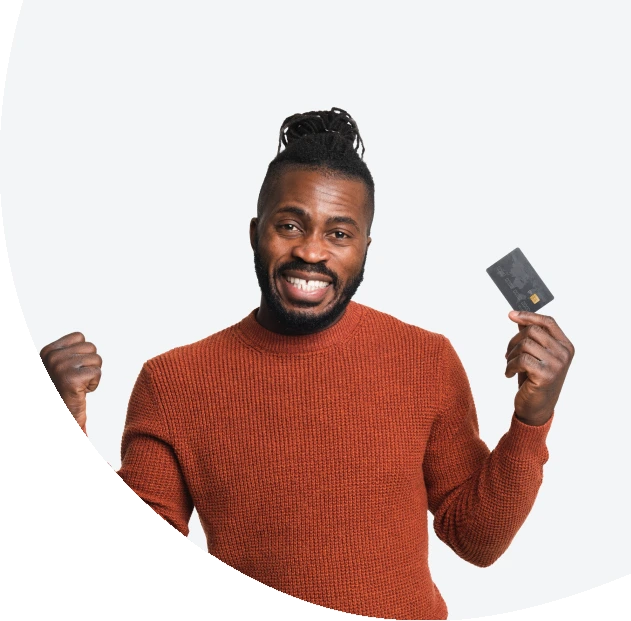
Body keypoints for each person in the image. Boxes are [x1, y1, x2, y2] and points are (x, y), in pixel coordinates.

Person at [39, 108, 575, 620]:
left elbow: (477, 540)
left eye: (338, 234)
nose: (312, 253)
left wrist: (532, 420)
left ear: (365, 249)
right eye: (291, 226)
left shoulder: (426, 360)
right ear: (255, 232)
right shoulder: (173, 383)